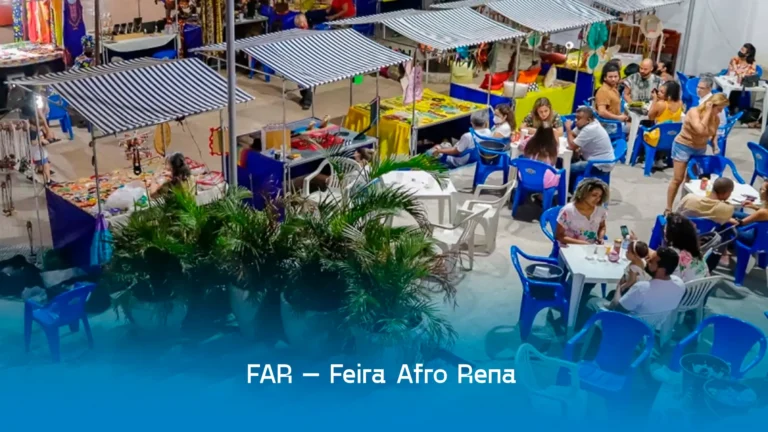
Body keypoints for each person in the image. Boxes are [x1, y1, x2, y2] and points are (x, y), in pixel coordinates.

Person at [665, 93, 728, 213]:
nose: (720, 112)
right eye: (719, 109)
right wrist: (708, 112)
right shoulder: (694, 112)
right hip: (683, 145)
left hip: (699, 148)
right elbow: (700, 129)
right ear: (711, 105)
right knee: (678, 179)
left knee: (691, 181)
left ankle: (684, 207)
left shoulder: (716, 118)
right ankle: (668, 208)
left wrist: (715, 145)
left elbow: (713, 134)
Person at [605, 247, 685, 328]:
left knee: (600, 299)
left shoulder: (642, 288)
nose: (647, 261)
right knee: (612, 293)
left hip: (629, 326)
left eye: (651, 261)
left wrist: (619, 286)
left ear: (662, 270)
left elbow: (617, 308)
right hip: (652, 326)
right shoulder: (680, 284)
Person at [638, 213, 710, 282]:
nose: (664, 230)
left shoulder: (671, 254)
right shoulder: (693, 249)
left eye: (665, 228)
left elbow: (656, 264)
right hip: (702, 288)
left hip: (679, 288)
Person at [564, 106, 616, 187]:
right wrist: (572, 137)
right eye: (576, 118)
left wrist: (568, 129)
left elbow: (572, 145)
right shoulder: (588, 123)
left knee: (566, 168)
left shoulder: (590, 129)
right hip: (594, 159)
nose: (576, 121)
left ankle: (569, 191)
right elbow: (573, 135)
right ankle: (571, 187)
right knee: (570, 160)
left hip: (599, 165)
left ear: (588, 120)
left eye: (579, 118)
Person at [555, 178, 609, 245]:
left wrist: (600, 238)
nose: (597, 199)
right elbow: (559, 235)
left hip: (591, 247)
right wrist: (583, 243)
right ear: (583, 194)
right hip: (569, 247)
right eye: (594, 195)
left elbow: (602, 227)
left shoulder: (600, 210)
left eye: (600, 196)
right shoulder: (567, 211)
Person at [643, 81, 684, 151]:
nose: (658, 93)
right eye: (659, 91)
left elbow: (650, 117)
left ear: (669, 96)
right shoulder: (680, 103)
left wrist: (655, 100)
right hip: (672, 138)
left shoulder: (661, 104)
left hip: (657, 139)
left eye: (662, 92)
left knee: (642, 127)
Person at [519, 123, 560, 189]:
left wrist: (530, 137)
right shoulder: (553, 146)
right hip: (544, 181)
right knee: (558, 173)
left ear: (537, 131)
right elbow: (553, 163)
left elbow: (520, 146)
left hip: (526, 176)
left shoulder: (530, 142)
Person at [726, 43, 758, 116]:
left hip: (743, 84)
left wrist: (741, 74)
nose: (740, 51)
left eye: (743, 50)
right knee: (733, 90)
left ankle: (733, 110)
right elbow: (733, 71)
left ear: (747, 54)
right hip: (731, 81)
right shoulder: (735, 59)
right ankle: (731, 109)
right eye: (741, 49)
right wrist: (741, 74)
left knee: (736, 90)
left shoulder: (752, 62)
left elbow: (751, 73)